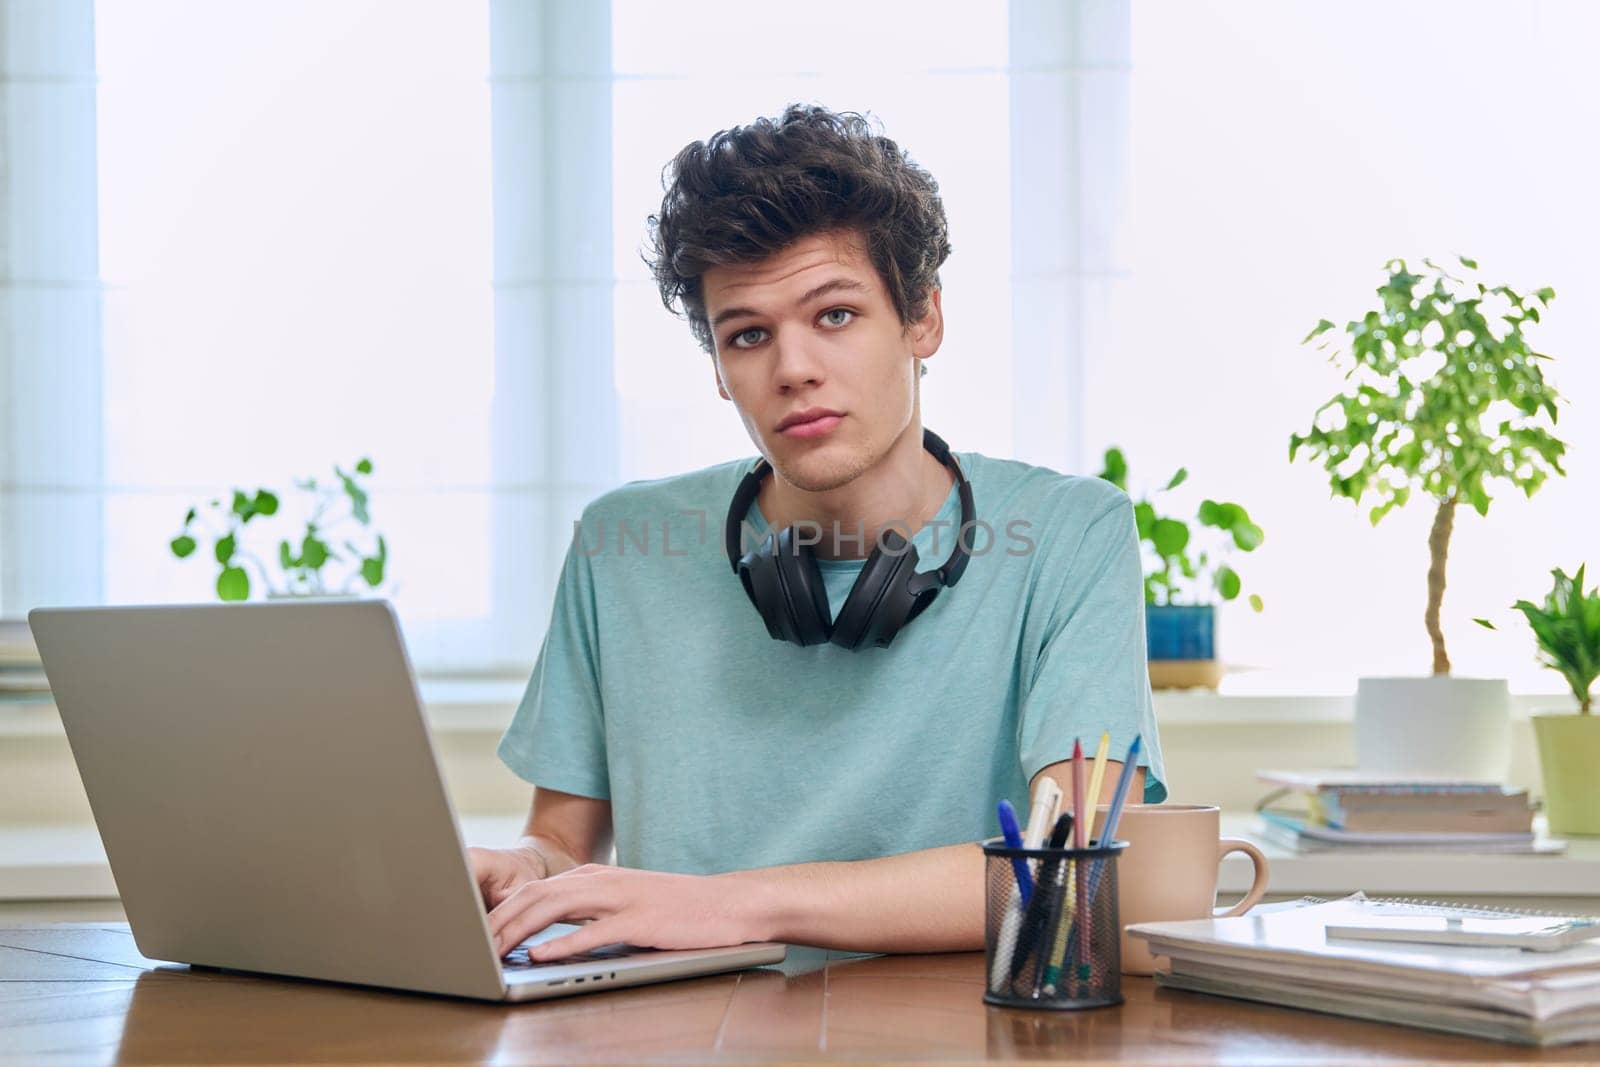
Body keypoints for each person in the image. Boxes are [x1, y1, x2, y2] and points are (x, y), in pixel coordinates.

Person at [469, 104, 1166, 963]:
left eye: (834, 314)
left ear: (924, 321)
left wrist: (738, 905)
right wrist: (524, 870)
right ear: (721, 371)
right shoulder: (620, 544)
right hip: (679, 1035)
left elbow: (1064, 868)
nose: (792, 368)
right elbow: (562, 843)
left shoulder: (1072, 534)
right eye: (749, 334)